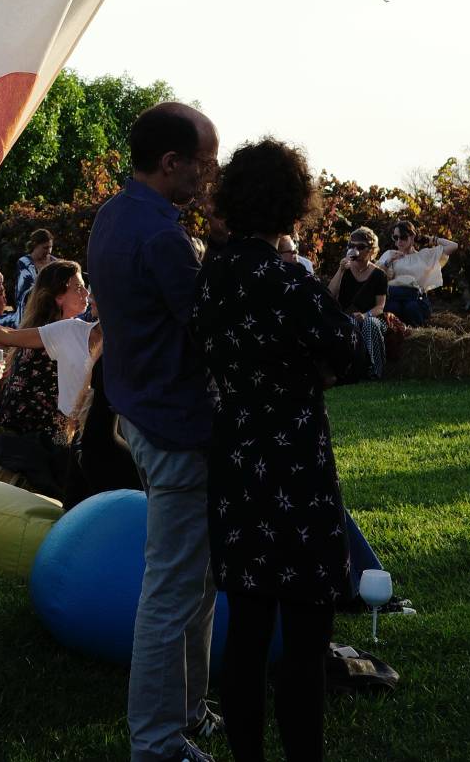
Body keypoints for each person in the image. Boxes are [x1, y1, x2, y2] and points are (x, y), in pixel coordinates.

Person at [195, 139, 360, 762]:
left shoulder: (212, 275)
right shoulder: (288, 278)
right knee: (307, 631)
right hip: (294, 455)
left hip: (236, 451)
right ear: (293, 204)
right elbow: (348, 347)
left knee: (247, 626)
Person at [86, 101, 221, 762]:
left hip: (138, 412)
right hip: (175, 424)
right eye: (205, 159)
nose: (211, 171)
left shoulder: (113, 216)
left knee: (196, 580)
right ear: (171, 163)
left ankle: (188, 711)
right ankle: (158, 743)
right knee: (173, 589)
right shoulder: (164, 237)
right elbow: (209, 329)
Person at [0, 259, 100, 496]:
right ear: (59, 297)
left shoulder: (59, 329)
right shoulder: (61, 333)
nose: (86, 293)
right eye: (78, 288)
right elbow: (5, 336)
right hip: (38, 428)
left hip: (34, 424)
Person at [326, 227, 388, 381]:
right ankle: (351, 371)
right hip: (346, 316)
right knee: (349, 322)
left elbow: (380, 306)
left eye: (360, 247)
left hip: (371, 317)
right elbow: (329, 295)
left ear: (371, 250)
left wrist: (365, 315)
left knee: (370, 324)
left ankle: (375, 371)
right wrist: (340, 271)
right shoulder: (345, 270)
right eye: (351, 246)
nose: (356, 251)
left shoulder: (379, 275)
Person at [377, 220, 456, 326]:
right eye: (395, 237)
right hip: (394, 296)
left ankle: (414, 335)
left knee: (412, 308)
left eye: (403, 237)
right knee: (392, 309)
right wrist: (389, 261)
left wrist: (431, 239)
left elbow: (453, 246)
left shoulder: (423, 256)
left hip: (415, 298)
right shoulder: (390, 254)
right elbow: (376, 276)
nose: (399, 241)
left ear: (412, 237)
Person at [12, 228, 56, 313]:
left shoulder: (55, 262)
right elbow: (25, 290)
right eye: (45, 248)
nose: (49, 251)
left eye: (51, 247)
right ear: (35, 245)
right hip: (30, 309)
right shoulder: (25, 262)